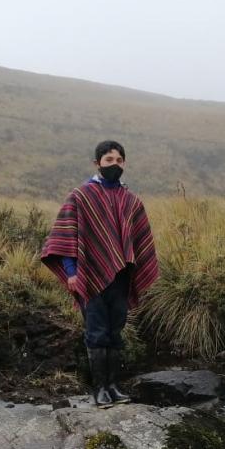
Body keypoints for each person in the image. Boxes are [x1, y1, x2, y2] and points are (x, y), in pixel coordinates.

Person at [41, 140, 159, 407]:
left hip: (121, 278)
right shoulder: (81, 196)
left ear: (124, 164)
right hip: (89, 275)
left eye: (119, 161)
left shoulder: (131, 201)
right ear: (97, 164)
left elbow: (139, 240)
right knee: (96, 332)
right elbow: (66, 237)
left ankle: (114, 387)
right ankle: (99, 390)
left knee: (115, 332)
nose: (114, 165)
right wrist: (71, 272)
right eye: (109, 161)